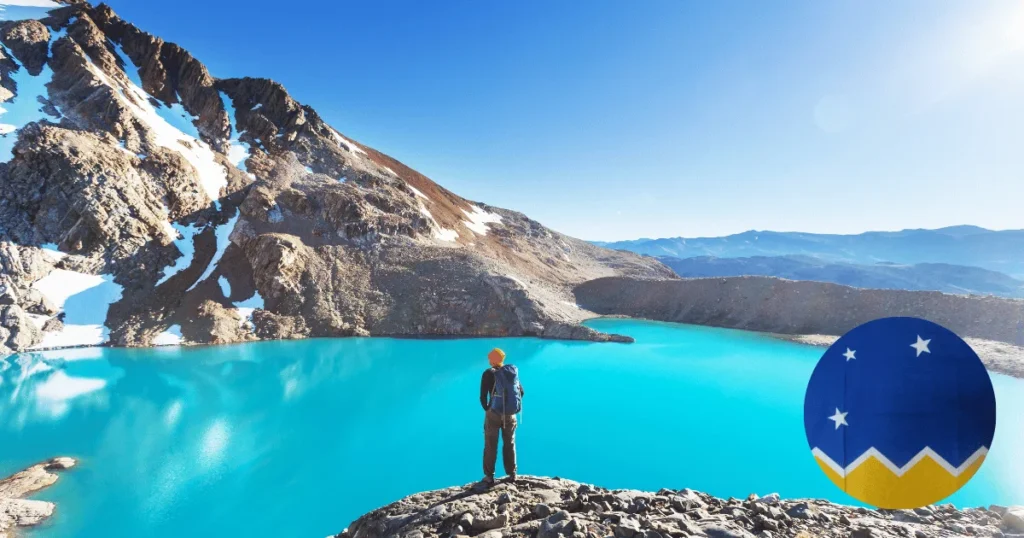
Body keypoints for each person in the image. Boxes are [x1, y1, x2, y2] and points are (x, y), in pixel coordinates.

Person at [480, 347, 524, 486]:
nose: (488, 359)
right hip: (510, 415)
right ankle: (512, 474)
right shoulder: (510, 373)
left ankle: (489, 476)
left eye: (490, 357)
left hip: (494, 414)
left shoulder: (488, 373)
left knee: (491, 445)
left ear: (493, 359)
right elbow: (521, 392)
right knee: (509, 443)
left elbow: (482, 397)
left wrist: (488, 408)